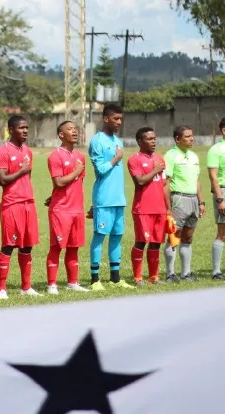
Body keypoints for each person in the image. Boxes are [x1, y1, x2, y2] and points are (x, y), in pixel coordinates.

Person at [88, 103, 134, 290]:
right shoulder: (97, 141)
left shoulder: (118, 141)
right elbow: (100, 169)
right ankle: (95, 279)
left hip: (118, 198)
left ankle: (115, 278)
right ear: (106, 118)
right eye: (116, 118)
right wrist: (116, 158)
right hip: (104, 198)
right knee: (100, 236)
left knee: (117, 236)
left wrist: (117, 155)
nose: (119, 122)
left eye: (121, 119)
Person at [0, 115, 41, 298]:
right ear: (11, 130)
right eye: (21, 128)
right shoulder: (3, 152)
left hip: (28, 203)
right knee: (8, 245)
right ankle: (1, 289)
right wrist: (21, 170)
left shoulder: (28, 151)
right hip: (12, 205)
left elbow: (27, 179)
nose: (25, 131)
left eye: (27, 128)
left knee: (27, 246)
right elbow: (2, 180)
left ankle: (26, 287)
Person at [45, 121, 89, 294]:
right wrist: (76, 172)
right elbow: (59, 182)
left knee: (73, 246)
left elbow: (77, 183)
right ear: (61, 134)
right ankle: (52, 284)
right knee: (56, 246)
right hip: (61, 210)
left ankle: (73, 282)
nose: (75, 131)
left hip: (76, 209)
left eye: (75, 129)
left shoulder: (80, 156)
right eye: (70, 129)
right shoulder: (55, 156)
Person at [127, 127, 170, 286]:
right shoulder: (134, 159)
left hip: (160, 209)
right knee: (141, 241)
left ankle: (154, 277)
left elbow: (165, 185)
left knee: (156, 242)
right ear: (140, 141)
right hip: (143, 209)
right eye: (149, 139)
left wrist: (168, 208)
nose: (154, 141)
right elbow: (140, 181)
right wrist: (155, 170)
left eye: (154, 138)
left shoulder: (160, 158)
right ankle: (138, 277)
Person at [164, 125, 205, 282]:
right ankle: (170, 274)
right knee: (174, 237)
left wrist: (201, 202)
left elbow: (197, 181)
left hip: (194, 200)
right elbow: (166, 183)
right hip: (179, 200)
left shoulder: (194, 156)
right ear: (177, 139)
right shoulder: (171, 155)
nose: (191, 138)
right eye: (187, 136)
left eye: (191, 135)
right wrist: (168, 208)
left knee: (188, 237)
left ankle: (186, 273)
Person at [206, 116, 225, 280]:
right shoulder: (216, 149)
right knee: (223, 232)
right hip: (224, 191)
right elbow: (213, 177)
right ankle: (216, 271)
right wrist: (220, 199)